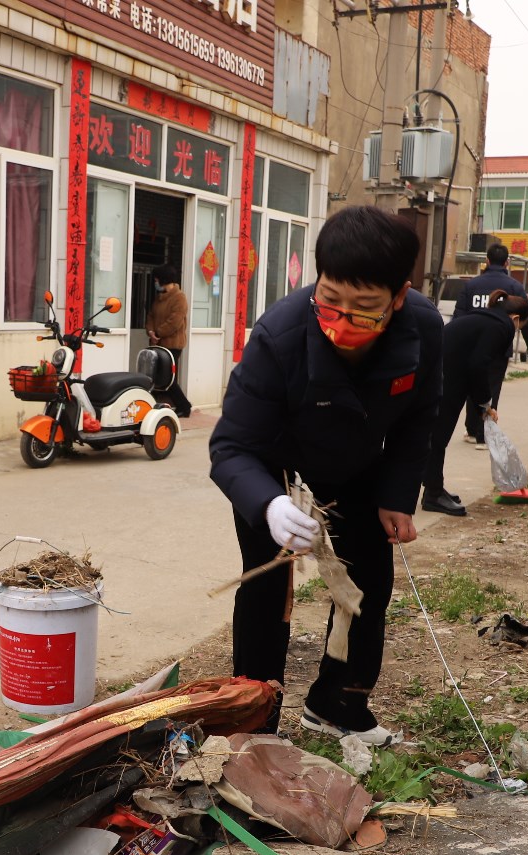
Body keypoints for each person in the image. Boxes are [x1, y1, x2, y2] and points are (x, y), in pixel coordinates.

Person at [209, 206, 443, 747]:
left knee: (367, 587)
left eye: (365, 308)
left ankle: (338, 704)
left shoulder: (424, 328)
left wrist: (397, 494)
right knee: (267, 591)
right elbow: (232, 447)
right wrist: (268, 504)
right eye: (330, 300)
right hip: (276, 470)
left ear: (399, 297)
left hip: (358, 467)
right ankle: (255, 724)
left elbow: (419, 417)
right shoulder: (280, 334)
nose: (342, 321)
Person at [420, 291, 528, 517]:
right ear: (516, 318)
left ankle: (434, 487)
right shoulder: (501, 327)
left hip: (440, 375)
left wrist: (482, 404)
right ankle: (432, 495)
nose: (517, 331)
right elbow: (479, 365)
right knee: (438, 437)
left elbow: (473, 363)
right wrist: (485, 402)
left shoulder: (483, 318)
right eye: (521, 327)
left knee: (436, 436)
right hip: (444, 379)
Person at [455, 245, 528, 441]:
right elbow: (526, 319)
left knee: (472, 386)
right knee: (492, 388)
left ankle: (472, 430)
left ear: (487, 261)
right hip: (499, 348)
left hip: (472, 346)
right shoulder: (514, 287)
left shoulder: (471, 285)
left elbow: (459, 316)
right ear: (507, 262)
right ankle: (483, 433)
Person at [144, 264, 192, 417]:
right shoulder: (159, 297)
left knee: (168, 378)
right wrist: (150, 331)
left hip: (172, 345)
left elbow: (174, 321)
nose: (155, 283)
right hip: (157, 343)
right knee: (155, 377)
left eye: (156, 280)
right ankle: (162, 406)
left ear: (163, 280)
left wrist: (158, 333)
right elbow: (151, 316)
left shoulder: (179, 298)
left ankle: (184, 406)